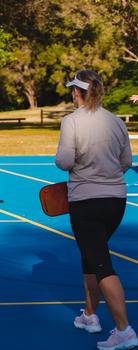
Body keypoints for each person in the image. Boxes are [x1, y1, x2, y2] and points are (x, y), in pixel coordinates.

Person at [56, 70, 136, 350]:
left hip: (86, 201)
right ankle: (90, 315)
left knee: (101, 263)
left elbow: (65, 161)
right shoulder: (116, 121)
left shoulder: (71, 121)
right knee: (91, 257)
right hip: (116, 200)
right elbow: (126, 160)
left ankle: (124, 330)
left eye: (72, 91)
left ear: (77, 93)